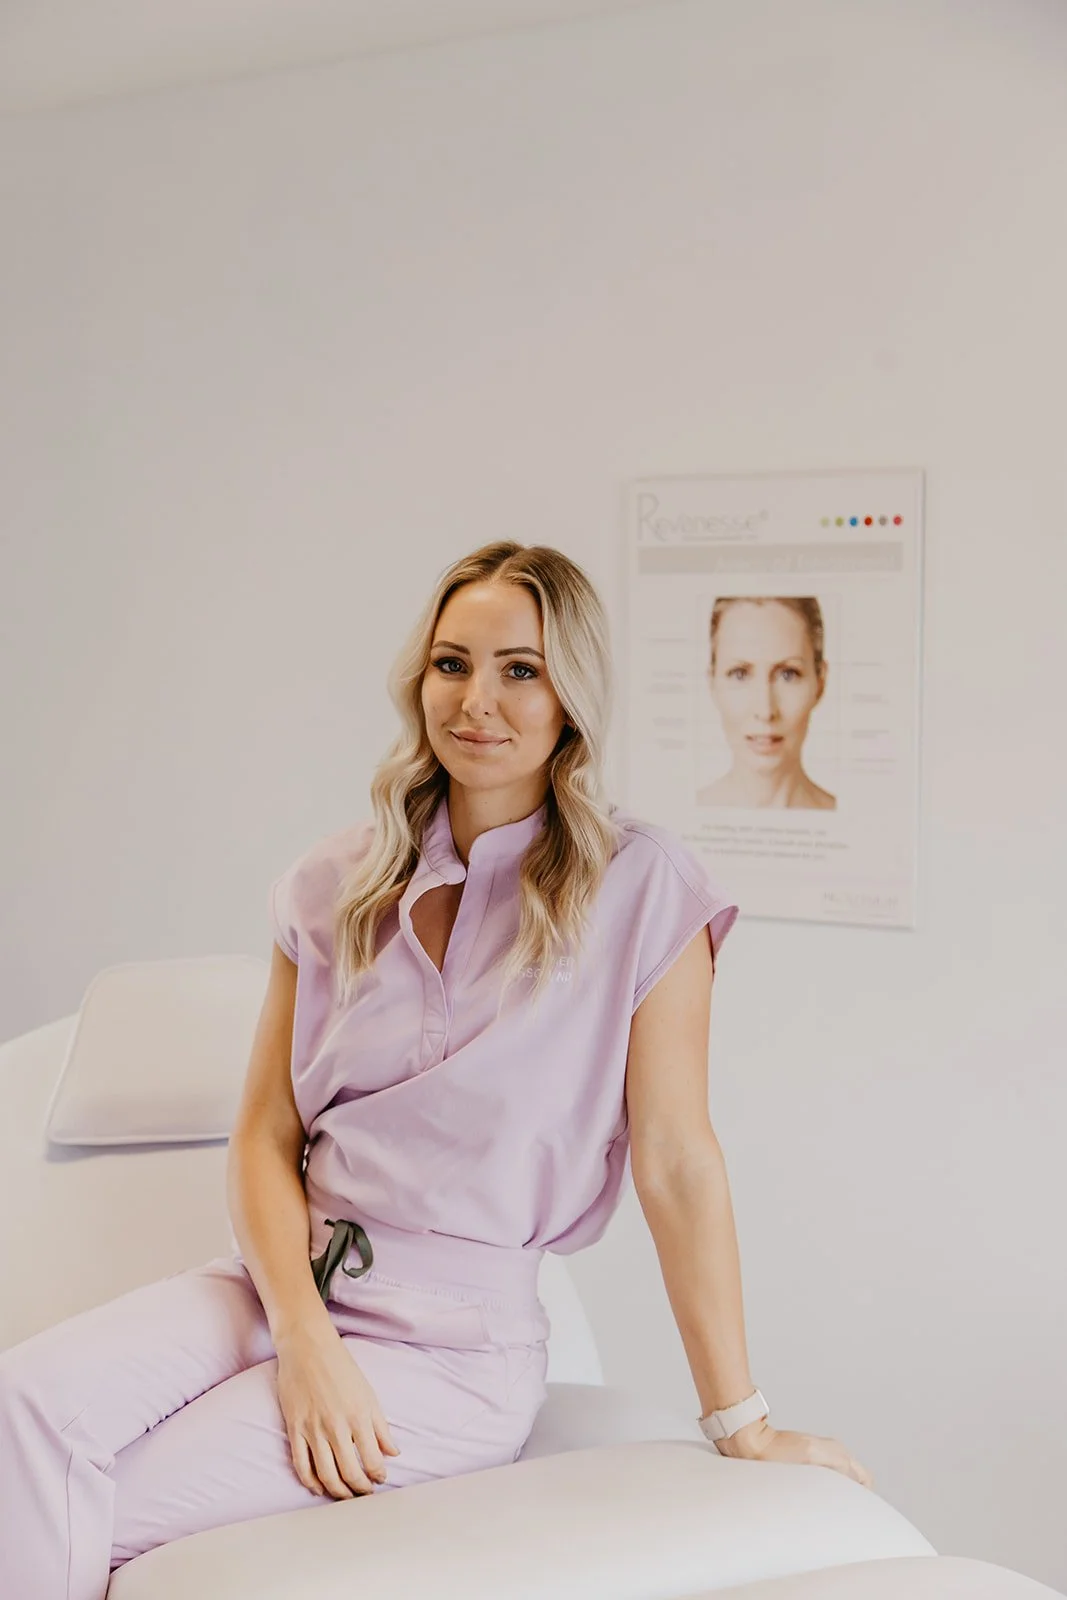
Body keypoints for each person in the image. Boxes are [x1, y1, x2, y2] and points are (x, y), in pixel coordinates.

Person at [0, 542, 871, 1599]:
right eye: (451, 662)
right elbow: (266, 1138)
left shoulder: (644, 890)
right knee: (23, 1413)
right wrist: (304, 1338)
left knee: (105, 1505)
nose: (477, 699)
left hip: (454, 1353)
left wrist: (743, 1421)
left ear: (570, 697)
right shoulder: (333, 883)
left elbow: (678, 1161)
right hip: (280, 1287)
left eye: (520, 668)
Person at [696, 596, 837, 810]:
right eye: (740, 674)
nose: (765, 710)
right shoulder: (671, 825)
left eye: (788, 674)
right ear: (712, 682)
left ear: (820, 682)